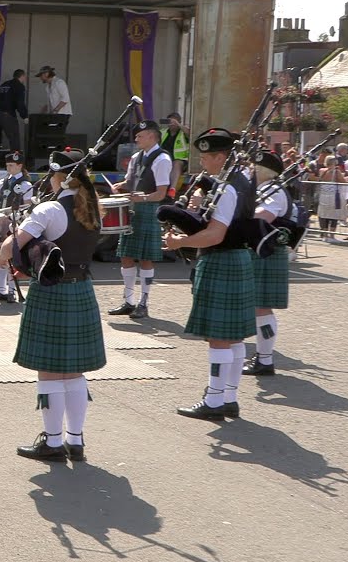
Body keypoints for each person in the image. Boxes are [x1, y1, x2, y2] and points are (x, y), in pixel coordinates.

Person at [0, 149, 106, 461]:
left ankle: (53, 442)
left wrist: (2, 254)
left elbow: (11, 245)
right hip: (81, 288)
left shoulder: (50, 210)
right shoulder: (94, 208)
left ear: (58, 176)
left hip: (52, 291)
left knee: (49, 371)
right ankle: (76, 440)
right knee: (73, 371)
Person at [166, 128, 257, 421]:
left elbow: (215, 235)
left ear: (221, 156)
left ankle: (215, 401)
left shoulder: (229, 188)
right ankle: (228, 397)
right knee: (234, 337)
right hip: (237, 259)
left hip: (221, 260)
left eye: (206, 157)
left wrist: (180, 242)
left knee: (219, 338)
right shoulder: (240, 180)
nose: (202, 162)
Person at [108, 120, 172, 319]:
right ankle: (128, 301)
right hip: (133, 209)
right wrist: (120, 186)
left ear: (152, 136)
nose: (136, 139)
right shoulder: (136, 157)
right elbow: (131, 181)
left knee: (145, 258)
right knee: (126, 255)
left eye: (140, 136)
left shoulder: (163, 159)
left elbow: (161, 193)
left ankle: (144, 303)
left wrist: (142, 197)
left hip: (149, 209)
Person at [245, 150, 292, 377]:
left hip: (268, 252)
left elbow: (263, 216)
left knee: (262, 307)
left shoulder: (274, 192)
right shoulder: (262, 189)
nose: (251, 170)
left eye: (254, 167)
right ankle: (263, 357)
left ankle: (264, 359)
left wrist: (239, 215)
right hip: (262, 250)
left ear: (263, 170)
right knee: (258, 307)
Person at [0, 151, 34, 302]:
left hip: (15, 222)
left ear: (20, 165)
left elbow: (29, 206)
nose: (8, 168)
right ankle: (2, 289)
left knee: (10, 255)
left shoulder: (26, 184)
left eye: (11, 165)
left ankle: (12, 290)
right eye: (7, 165)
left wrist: (18, 213)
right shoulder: (4, 181)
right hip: (0, 221)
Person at [316, 156, 348, 239]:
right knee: (334, 215)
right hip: (333, 196)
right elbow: (343, 181)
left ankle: (325, 234)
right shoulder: (336, 171)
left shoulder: (322, 171)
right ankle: (332, 235)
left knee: (324, 215)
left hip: (323, 196)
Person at [35, 65, 72, 132]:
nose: (40, 78)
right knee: (53, 133)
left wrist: (55, 110)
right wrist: (42, 112)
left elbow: (65, 98)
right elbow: (50, 102)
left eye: (41, 75)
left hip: (62, 114)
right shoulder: (47, 87)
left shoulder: (59, 82)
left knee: (58, 133)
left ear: (46, 74)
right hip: (55, 115)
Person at [161, 112, 190, 195]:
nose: (172, 124)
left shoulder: (183, 133)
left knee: (176, 163)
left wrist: (178, 124)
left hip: (181, 161)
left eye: (174, 122)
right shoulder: (163, 132)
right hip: (165, 160)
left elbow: (190, 133)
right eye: (170, 121)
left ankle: (172, 189)